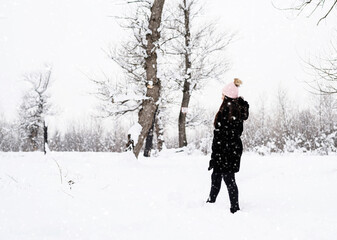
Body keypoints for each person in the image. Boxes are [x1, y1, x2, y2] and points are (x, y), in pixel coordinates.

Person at [207, 78, 249, 214]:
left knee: (228, 178)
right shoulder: (233, 109)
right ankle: (210, 202)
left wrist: (217, 153)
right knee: (217, 175)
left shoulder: (228, 110)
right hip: (230, 148)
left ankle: (235, 208)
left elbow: (222, 135)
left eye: (223, 94)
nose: (221, 96)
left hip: (226, 149)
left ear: (227, 96)